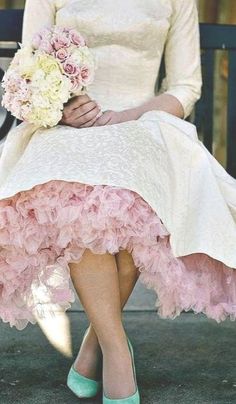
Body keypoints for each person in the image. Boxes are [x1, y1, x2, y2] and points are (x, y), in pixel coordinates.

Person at [0, 0, 236, 403]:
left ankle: (97, 345)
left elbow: (186, 86)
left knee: (130, 202)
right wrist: (62, 110)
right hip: (66, 130)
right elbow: (29, 70)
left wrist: (127, 116)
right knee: (80, 197)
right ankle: (117, 352)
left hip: (143, 124)